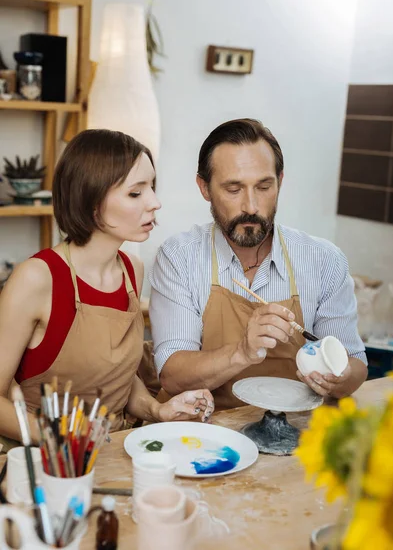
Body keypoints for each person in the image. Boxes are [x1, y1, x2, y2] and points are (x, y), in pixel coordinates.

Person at [0, 129, 214, 451]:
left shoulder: (132, 271)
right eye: (135, 193)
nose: (155, 203)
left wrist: (156, 409)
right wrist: (61, 439)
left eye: (151, 188)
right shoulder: (37, 278)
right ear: (92, 201)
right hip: (47, 462)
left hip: (118, 448)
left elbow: (119, 379)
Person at [149, 118, 368, 409]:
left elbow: (355, 364)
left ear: (280, 181)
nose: (251, 206)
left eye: (264, 186)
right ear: (204, 188)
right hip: (207, 433)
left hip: (297, 434)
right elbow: (172, 377)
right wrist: (242, 351)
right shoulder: (179, 258)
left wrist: (340, 379)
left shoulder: (324, 261)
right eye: (233, 189)